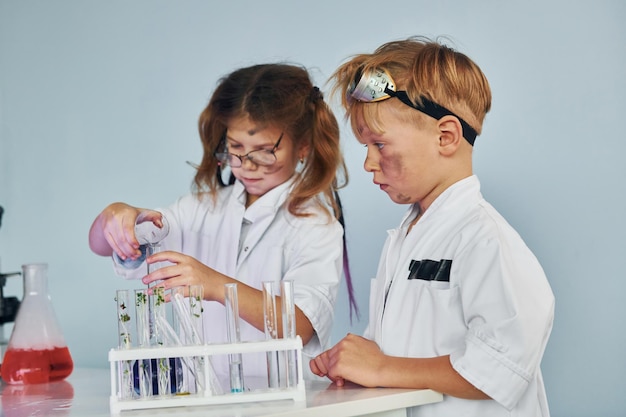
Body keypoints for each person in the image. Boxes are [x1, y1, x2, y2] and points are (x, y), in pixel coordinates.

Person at [309, 37, 555, 416]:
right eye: (365, 148)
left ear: (446, 137)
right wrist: (356, 365)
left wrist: (380, 367)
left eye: (380, 144)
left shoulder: (486, 241)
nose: (368, 164)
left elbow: (498, 369)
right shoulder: (406, 240)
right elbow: (400, 357)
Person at [89, 63, 355, 380]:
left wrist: (216, 286)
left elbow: (299, 324)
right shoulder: (200, 210)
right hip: (203, 399)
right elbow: (102, 245)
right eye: (235, 149)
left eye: (265, 151)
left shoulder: (316, 224)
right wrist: (116, 216)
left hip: (281, 403)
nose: (246, 165)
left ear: (303, 147)